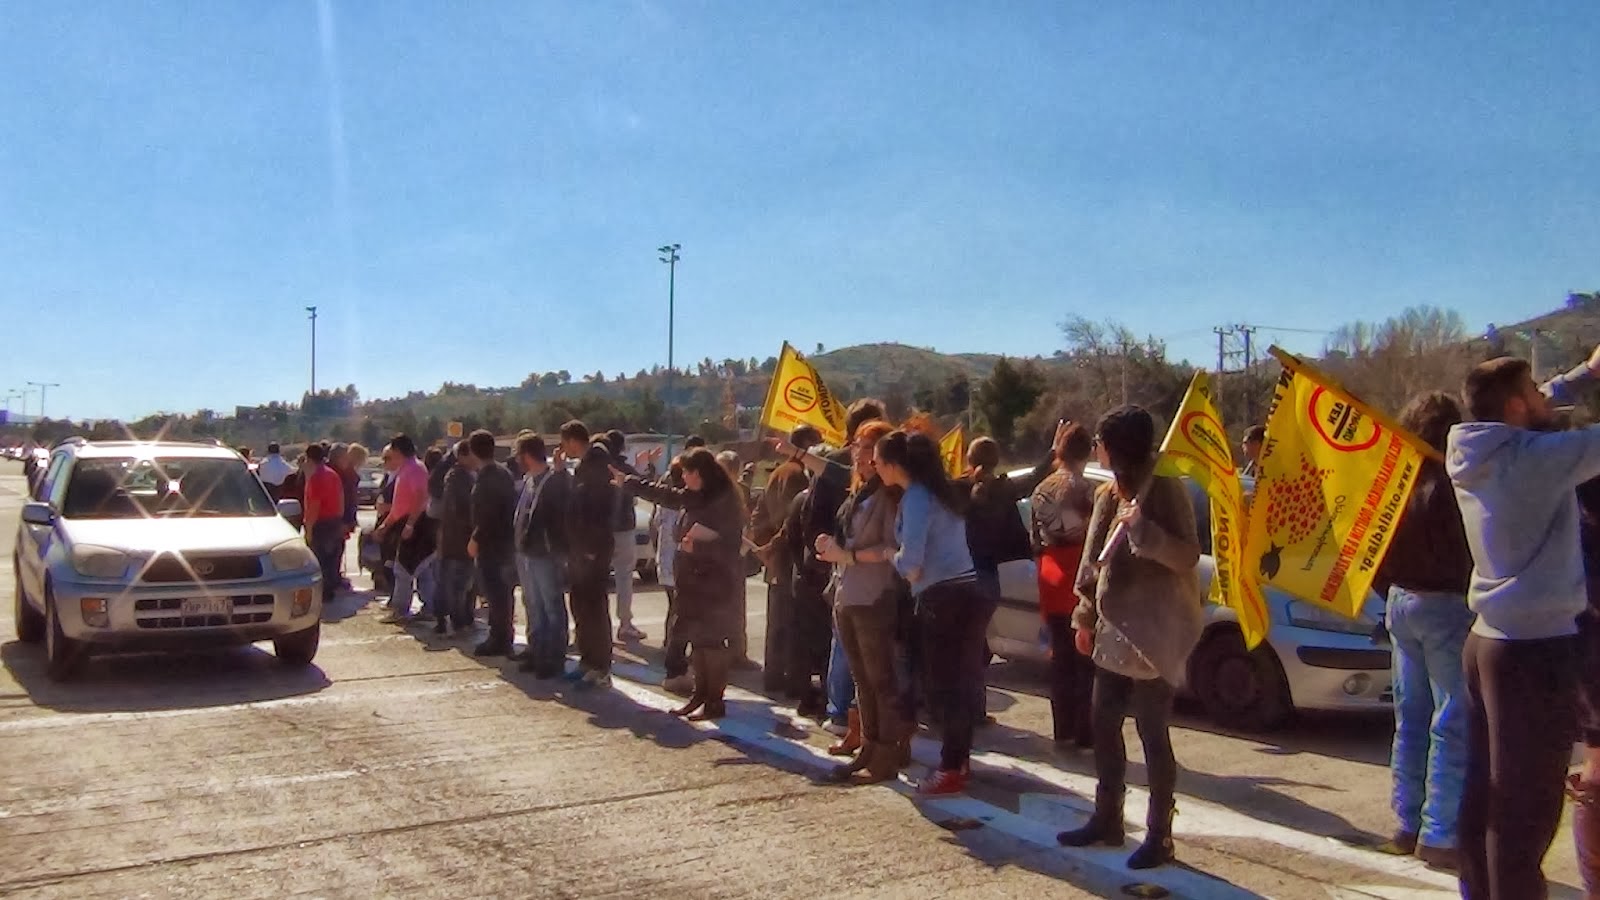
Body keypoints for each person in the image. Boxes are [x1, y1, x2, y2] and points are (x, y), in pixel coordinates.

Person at [1448, 349, 1600, 899]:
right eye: (1534, 389)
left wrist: (1587, 374)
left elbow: (1539, 410)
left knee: (1484, 798)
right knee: (1526, 816)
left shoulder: (1474, 448)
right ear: (1515, 406)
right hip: (1534, 652)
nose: (1545, 395)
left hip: (1487, 639)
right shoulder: (1536, 460)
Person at [1058, 405, 1203, 871]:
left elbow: (1186, 557)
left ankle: (1160, 835)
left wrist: (1145, 531)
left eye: (1101, 440)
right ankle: (1107, 817)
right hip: (1112, 629)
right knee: (1102, 725)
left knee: (1152, 732)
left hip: (1156, 631)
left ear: (1117, 445)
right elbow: (1090, 565)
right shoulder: (1107, 494)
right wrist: (1084, 616)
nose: (1095, 448)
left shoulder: (1166, 490)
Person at [1373, 392, 1473, 871]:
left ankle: (1406, 822)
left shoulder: (1394, 481)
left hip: (1400, 601)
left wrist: (1386, 594)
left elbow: (1369, 552)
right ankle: (1440, 832)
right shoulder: (1452, 486)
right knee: (1451, 721)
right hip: (1446, 603)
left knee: (1410, 719)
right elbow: (1466, 551)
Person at [873, 429, 986, 796]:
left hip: (942, 596)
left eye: (877, 460)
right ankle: (959, 761)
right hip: (966, 590)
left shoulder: (917, 498)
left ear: (893, 465)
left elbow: (913, 564)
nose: (874, 466)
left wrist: (892, 554)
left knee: (943, 688)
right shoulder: (940, 492)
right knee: (959, 683)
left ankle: (952, 767)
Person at [622, 448, 747, 720]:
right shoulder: (696, 496)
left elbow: (729, 548)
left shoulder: (723, 503)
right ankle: (700, 695)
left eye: (688, 473)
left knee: (711, 643)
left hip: (713, 586)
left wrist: (697, 547)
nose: (684, 478)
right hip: (692, 583)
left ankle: (714, 701)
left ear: (701, 473)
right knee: (698, 642)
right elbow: (666, 495)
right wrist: (629, 482)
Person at [815, 419, 904, 783]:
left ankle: (886, 756)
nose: (859, 454)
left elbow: (892, 549)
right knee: (860, 679)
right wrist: (831, 548)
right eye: (856, 446)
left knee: (879, 678)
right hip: (847, 593)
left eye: (867, 448)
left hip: (872, 595)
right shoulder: (860, 492)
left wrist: (847, 555)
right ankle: (869, 747)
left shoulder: (888, 495)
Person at [1030, 422, 1098, 752]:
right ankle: (1086, 731)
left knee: (1059, 657)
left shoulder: (1040, 489)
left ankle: (1063, 729)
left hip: (1050, 571)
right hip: (1080, 574)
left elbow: (1034, 540)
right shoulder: (1091, 491)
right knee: (1085, 658)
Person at [753, 426, 820, 698]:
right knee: (791, 623)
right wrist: (772, 546)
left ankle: (773, 676)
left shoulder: (779, 472)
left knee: (777, 622)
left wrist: (762, 545)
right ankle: (791, 680)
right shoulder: (796, 476)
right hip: (787, 557)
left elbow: (760, 513)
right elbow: (791, 518)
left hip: (776, 557)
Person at [513, 433, 571, 678]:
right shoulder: (529, 480)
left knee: (551, 605)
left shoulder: (551, 480)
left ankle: (554, 656)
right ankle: (537, 651)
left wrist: (560, 472)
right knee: (533, 604)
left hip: (545, 553)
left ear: (526, 456)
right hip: (526, 552)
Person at [566, 439, 619, 688]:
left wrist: (590, 549)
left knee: (594, 610)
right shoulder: (583, 475)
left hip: (592, 552)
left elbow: (597, 517)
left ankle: (600, 666)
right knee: (580, 607)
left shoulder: (597, 479)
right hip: (579, 551)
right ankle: (587, 662)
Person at [461, 430, 517, 657]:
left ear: (473, 452)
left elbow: (488, 515)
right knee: (502, 594)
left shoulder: (487, 479)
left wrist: (475, 539)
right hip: (505, 543)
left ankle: (499, 638)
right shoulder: (503, 473)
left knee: (495, 593)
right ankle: (503, 636)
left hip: (492, 545)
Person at [378, 435, 433, 625]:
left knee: (403, 568)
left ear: (398, 451)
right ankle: (430, 607)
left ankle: (401, 609)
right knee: (420, 568)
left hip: (415, 524)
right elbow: (399, 504)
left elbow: (420, 496)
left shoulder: (415, 469)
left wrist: (410, 524)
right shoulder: (406, 470)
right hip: (405, 521)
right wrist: (386, 525)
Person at [602, 430, 647, 643]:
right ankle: (625, 624)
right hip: (624, 528)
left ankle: (598, 625)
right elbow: (640, 489)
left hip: (601, 530)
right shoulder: (627, 470)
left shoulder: (597, 469)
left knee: (597, 579)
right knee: (624, 577)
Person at [656, 460, 693, 696]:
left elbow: (654, 526)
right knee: (680, 613)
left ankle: (671, 649)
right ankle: (676, 664)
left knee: (676, 610)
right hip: (679, 564)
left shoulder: (668, 500)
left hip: (670, 562)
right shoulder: (682, 501)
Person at [434, 442, 477, 635]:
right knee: (458, 584)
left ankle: (454, 619)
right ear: (462, 456)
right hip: (458, 541)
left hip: (456, 539)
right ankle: (455, 621)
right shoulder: (457, 478)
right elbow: (460, 509)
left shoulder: (461, 477)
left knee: (457, 583)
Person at [300, 442, 346, 607]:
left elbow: (314, 505)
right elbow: (341, 499)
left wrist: (309, 529)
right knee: (331, 558)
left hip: (321, 522)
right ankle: (330, 589)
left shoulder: (316, 478)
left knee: (318, 559)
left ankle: (322, 592)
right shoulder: (332, 474)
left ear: (309, 458)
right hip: (334, 521)